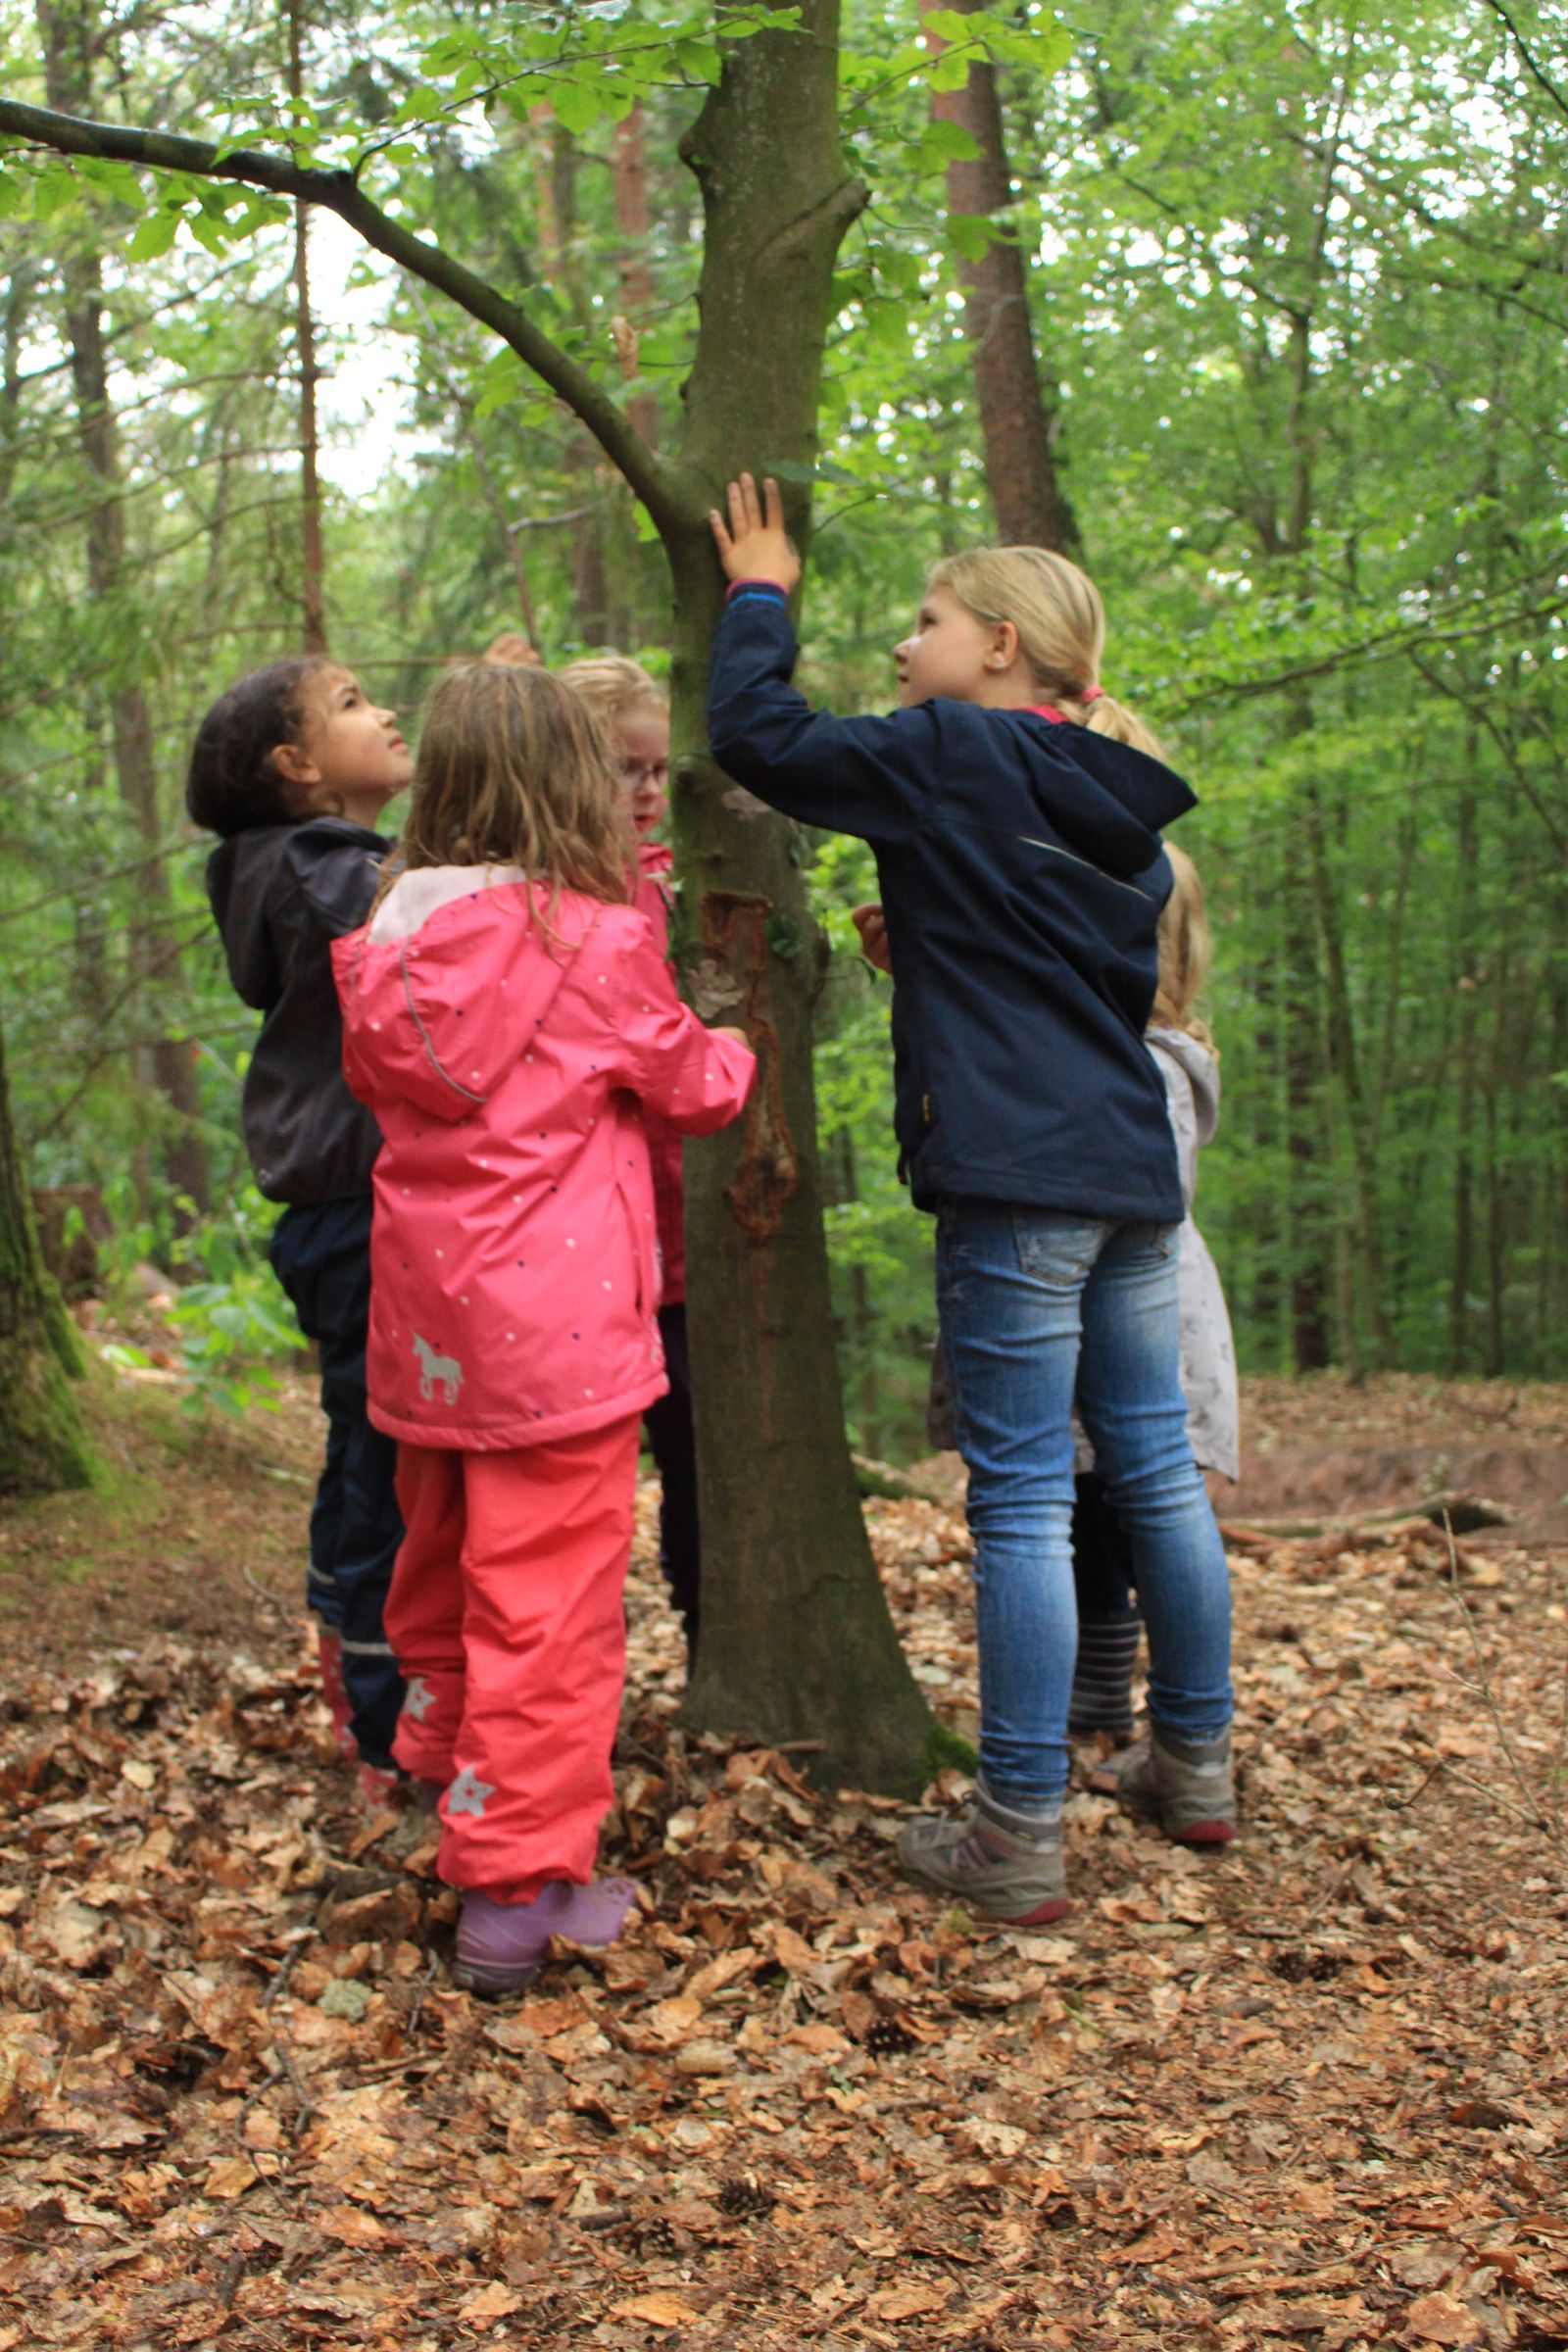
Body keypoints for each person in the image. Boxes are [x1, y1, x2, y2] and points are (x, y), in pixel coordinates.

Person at [707, 474, 1235, 1929]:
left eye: (926, 622)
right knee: (1151, 1468)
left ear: (1000, 645)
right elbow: (1056, 975)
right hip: (1127, 1168)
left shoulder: (953, 750)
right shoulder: (1110, 792)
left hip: (1022, 1175)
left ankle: (1018, 1828)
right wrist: (927, 940)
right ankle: (1192, 1763)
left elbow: (759, 738)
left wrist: (759, 588)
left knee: (1018, 1497)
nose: (903, 647)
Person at [331, 662, 755, 1994]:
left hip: (431, 1344)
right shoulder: (595, 940)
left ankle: (447, 1781)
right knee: (553, 1616)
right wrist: (736, 1037)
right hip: (561, 1350)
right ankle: (518, 1893)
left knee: (446, 1574)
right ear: (571, 785)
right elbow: (695, 1087)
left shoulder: (393, 934)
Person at [878, 843, 1239, 1762]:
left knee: (1050, 1505)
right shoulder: (1179, 1058)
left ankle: (1025, 1793)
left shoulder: (1106, 1067)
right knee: (1141, 1496)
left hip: (1084, 1300)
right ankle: (1193, 1751)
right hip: (1159, 1298)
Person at [188, 659, 412, 1805]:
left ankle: (348, 1654)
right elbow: (423, 929)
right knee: (382, 1461)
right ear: (298, 765)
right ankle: (380, 1729)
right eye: (356, 707)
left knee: (360, 1447)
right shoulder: (327, 875)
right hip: (363, 1213)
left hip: (341, 1214)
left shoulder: (295, 865)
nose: (388, 715)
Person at [558, 654, 704, 1663]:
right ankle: (572, 1671)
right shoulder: (548, 901)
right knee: (584, 1474)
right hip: (585, 1246)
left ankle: (715, 1634)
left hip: (684, 1234)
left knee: (699, 1458)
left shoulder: (676, 890)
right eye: (624, 771)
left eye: (658, 772)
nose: (648, 793)